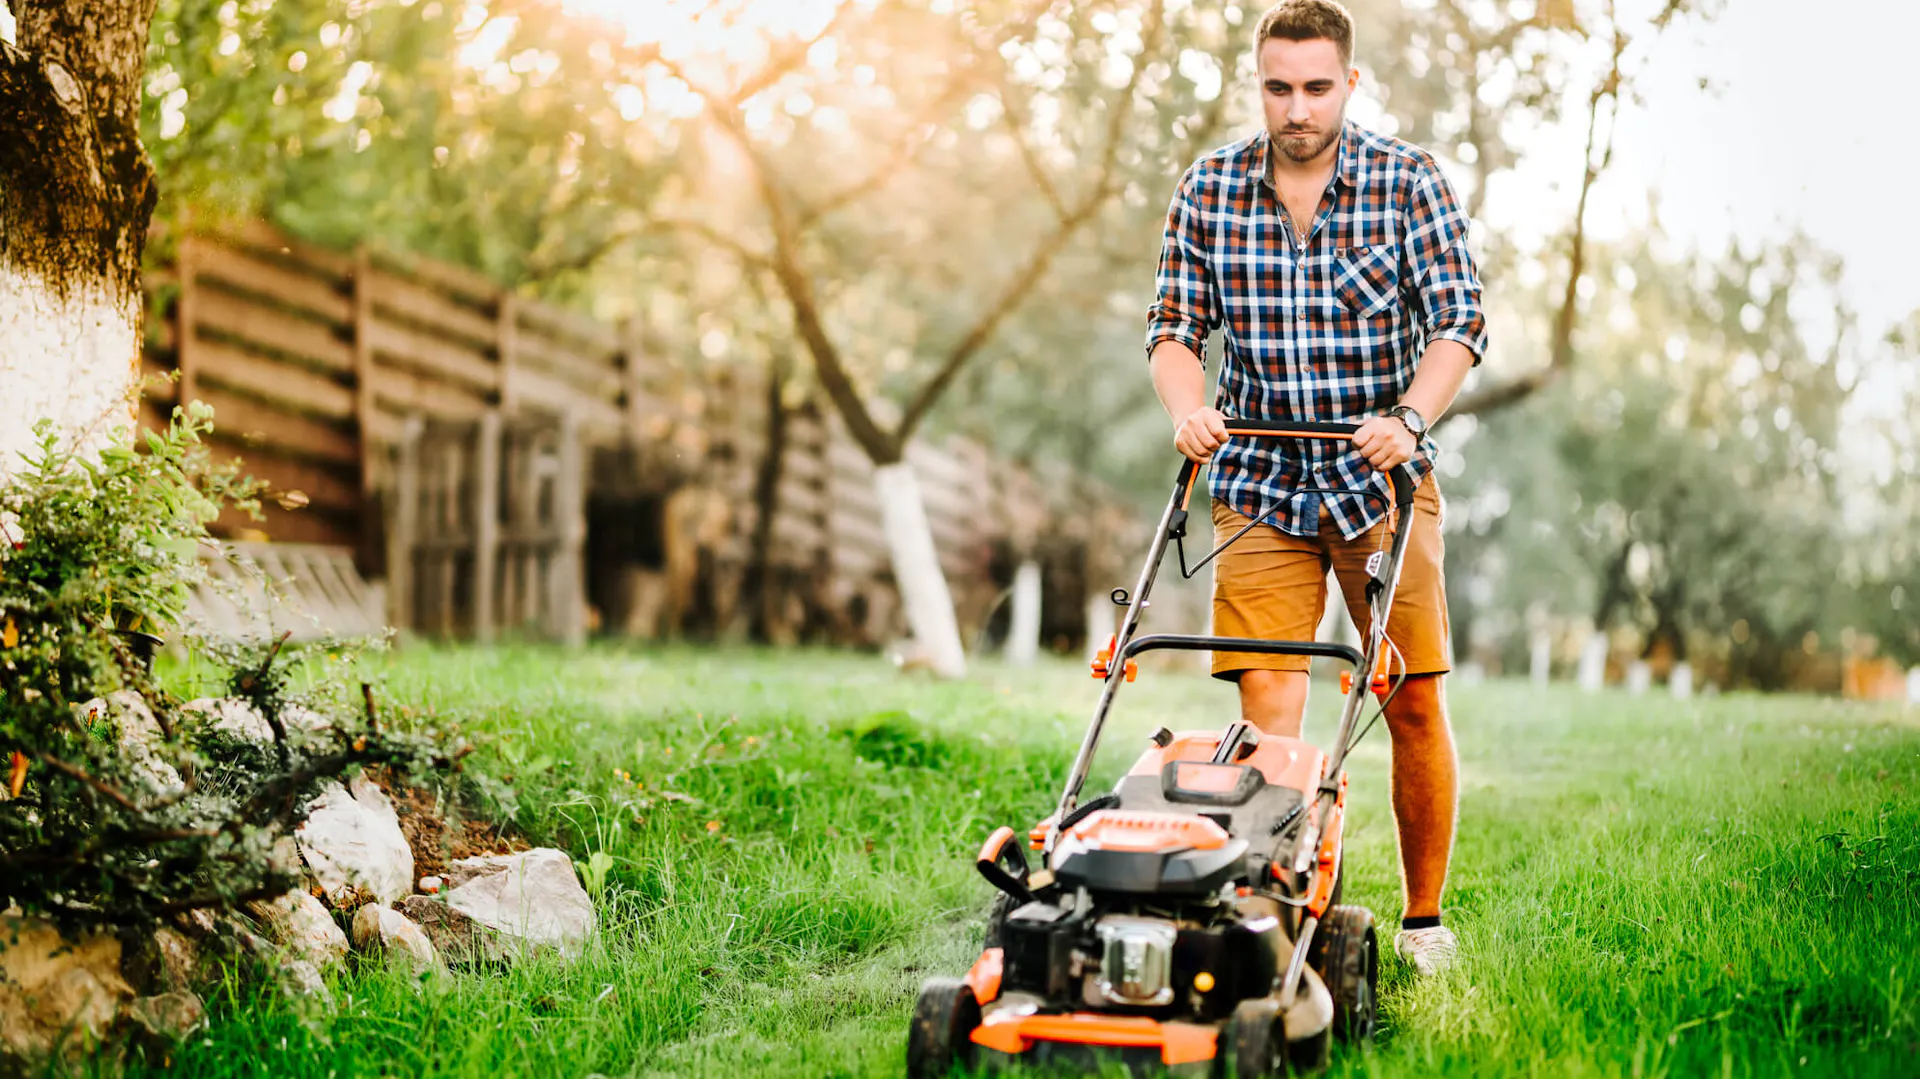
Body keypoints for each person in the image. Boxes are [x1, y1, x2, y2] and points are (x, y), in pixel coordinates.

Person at [1144, 0, 1488, 977]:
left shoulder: (1405, 181)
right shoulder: (1210, 188)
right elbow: (1174, 328)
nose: (1296, 108)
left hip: (1378, 478)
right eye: (1278, 87)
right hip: (1257, 475)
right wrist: (1189, 407)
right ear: (1258, 84)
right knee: (1273, 711)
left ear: (1349, 81)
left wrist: (1410, 417)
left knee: (1409, 694)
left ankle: (1424, 922)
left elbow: (1460, 323)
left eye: (1316, 87)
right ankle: (1280, 914)